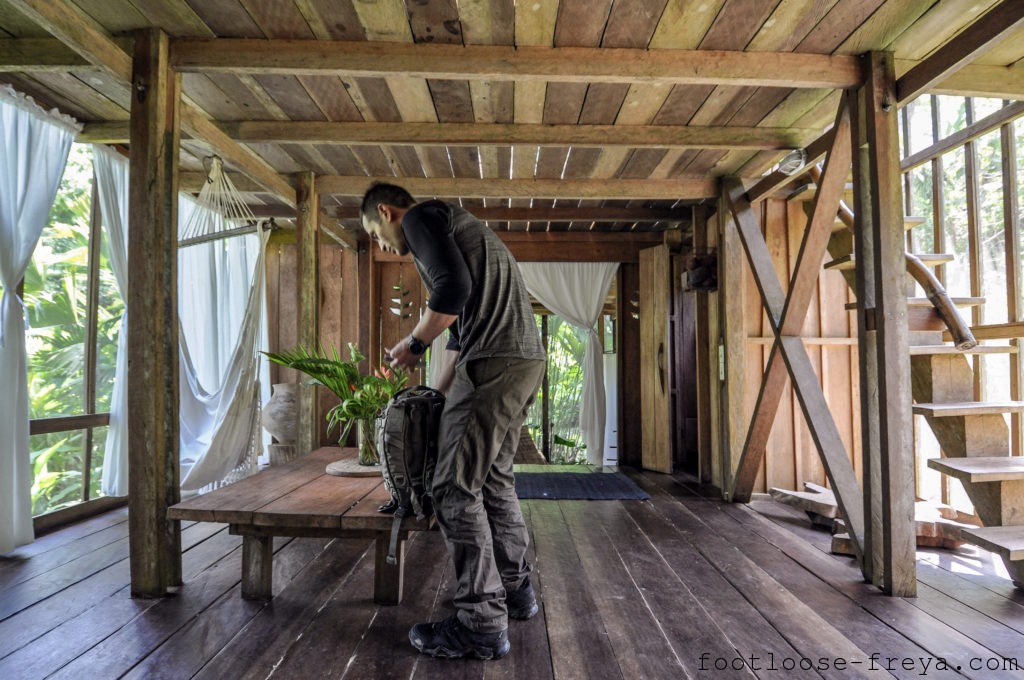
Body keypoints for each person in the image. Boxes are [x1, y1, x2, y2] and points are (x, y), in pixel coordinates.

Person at [360, 182, 547, 660]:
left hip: (494, 362)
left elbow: (452, 291)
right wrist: (434, 392)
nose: (381, 244)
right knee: (493, 479)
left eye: (375, 232)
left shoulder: (422, 219)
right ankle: (515, 590)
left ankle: (481, 623)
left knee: (451, 487)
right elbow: (459, 330)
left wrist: (413, 344)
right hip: (521, 359)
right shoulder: (456, 230)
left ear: (387, 211)